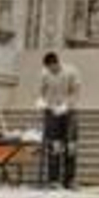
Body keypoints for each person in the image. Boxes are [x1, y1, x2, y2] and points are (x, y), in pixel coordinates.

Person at [36, 50, 81, 188]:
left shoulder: (71, 71)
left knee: (70, 146)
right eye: (48, 69)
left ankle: (70, 180)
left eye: (52, 68)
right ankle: (54, 180)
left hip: (69, 113)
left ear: (56, 63)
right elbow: (40, 92)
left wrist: (66, 105)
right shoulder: (44, 74)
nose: (50, 71)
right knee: (54, 147)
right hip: (52, 113)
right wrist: (41, 102)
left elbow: (76, 91)